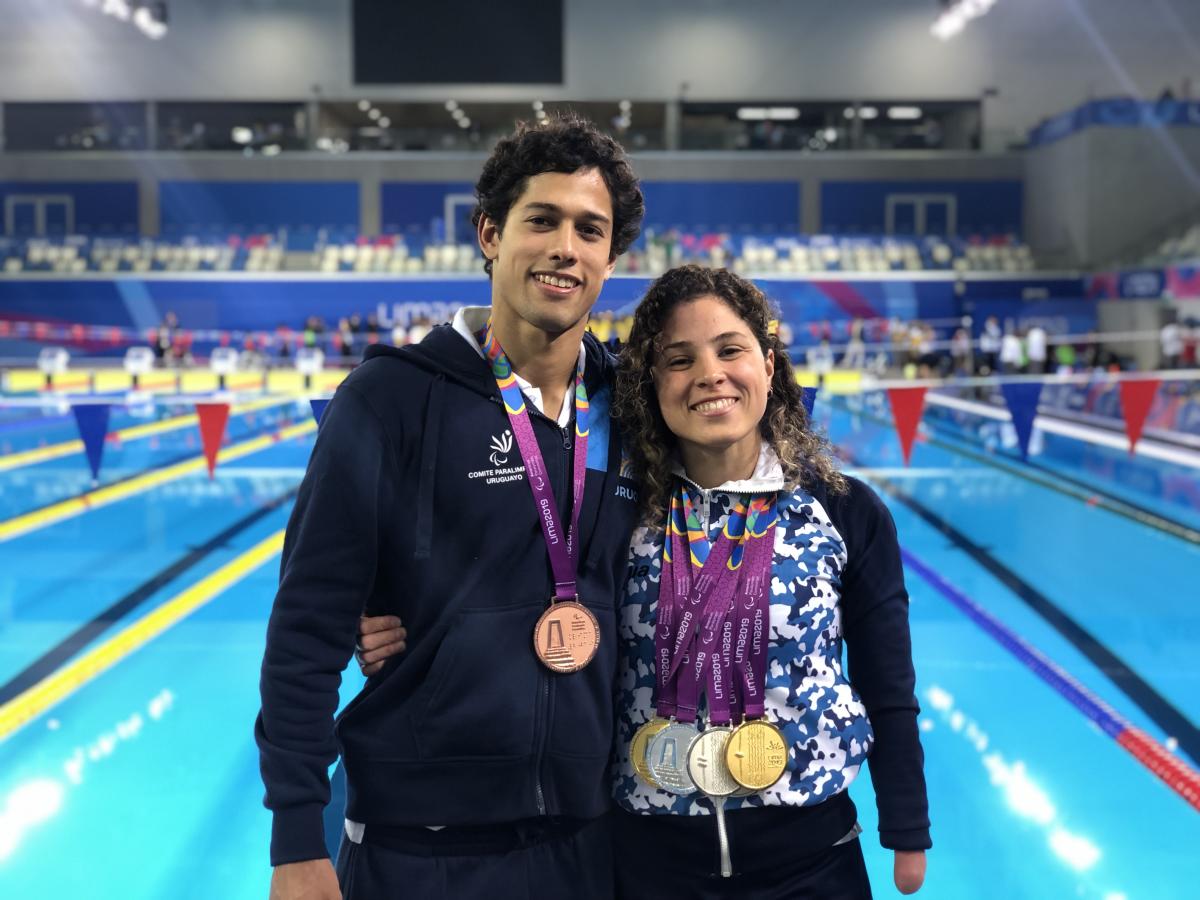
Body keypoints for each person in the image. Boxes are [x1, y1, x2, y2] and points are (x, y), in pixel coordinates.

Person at [256, 113, 646, 900]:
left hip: (592, 841)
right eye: (542, 220)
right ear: (491, 233)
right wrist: (297, 836)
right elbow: (308, 622)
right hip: (420, 850)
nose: (565, 247)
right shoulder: (390, 399)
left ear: (610, 257)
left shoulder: (635, 409)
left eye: (590, 230)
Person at [610, 265, 929, 898]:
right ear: (651, 385)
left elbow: (885, 679)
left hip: (811, 857)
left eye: (731, 349)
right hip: (650, 858)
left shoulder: (844, 510)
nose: (709, 374)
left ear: (770, 364)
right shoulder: (617, 512)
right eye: (679, 360)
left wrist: (906, 823)